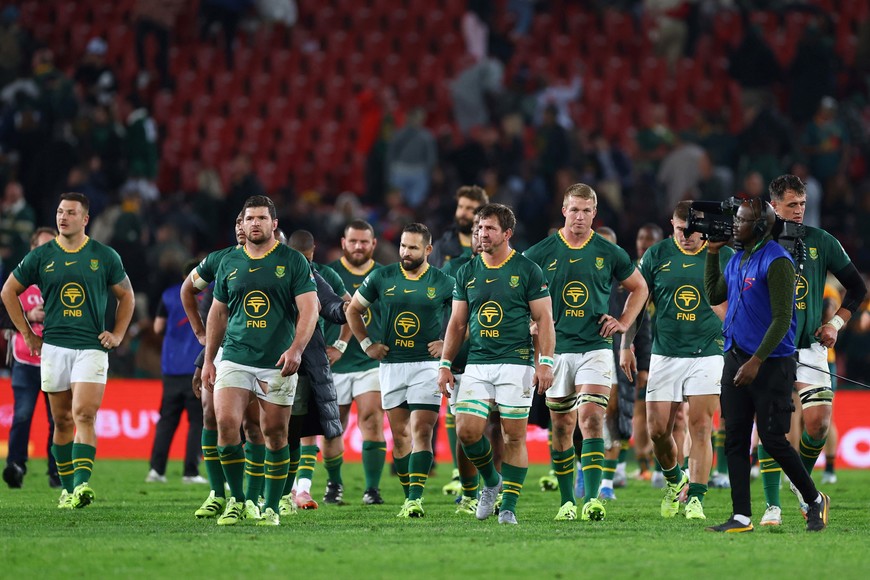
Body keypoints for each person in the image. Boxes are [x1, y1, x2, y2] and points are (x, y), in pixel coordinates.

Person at [1, 192, 135, 510]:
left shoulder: (104, 256)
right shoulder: (41, 255)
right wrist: (27, 335)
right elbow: (8, 291)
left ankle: (81, 485)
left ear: (85, 219)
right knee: (62, 421)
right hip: (53, 347)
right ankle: (67, 487)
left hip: (91, 347)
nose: (63, 217)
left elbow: (126, 296)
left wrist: (117, 334)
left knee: (84, 415)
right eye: (60, 211)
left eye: (71, 212)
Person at [524, 184, 648, 522]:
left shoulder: (608, 252)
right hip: (556, 350)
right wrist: (529, 323)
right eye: (574, 209)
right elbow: (516, 291)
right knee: (562, 427)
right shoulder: (540, 252)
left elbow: (640, 287)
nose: (580, 216)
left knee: (592, 418)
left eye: (586, 211)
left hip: (595, 348)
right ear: (563, 211)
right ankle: (567, 501)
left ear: (595, 213)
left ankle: (592, 500)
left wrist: (623, 321)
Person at [704, 198, 829, 533]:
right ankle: (741, 516)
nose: (733, 225)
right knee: (734, 438)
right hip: (735, 359)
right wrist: (713, 253)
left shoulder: (778, 262)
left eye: (741, 221)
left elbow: (782, 318)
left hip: (771, 363)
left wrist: (757, 361)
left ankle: (813, 498)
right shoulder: (738, 258)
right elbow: (715, 295)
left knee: (773, 440)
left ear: (759, 227)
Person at [201, 195, 319, 527]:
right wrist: (209, 359)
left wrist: (296, 349)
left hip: (276, 361)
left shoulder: (292, 261)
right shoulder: (228, 262)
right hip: (235, 357)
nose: (255, 223)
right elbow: (218, 312)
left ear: (274, 224)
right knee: (226, 425)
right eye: (250, 218)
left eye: (262, 218)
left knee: (274, 433)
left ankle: (269, 505)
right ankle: (238, 501)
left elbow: (310, 309)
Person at [438, 203, 556, 525]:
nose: (481, 234)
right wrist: (445, 363)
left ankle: (509, 507)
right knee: (467, 431)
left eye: (488, 228)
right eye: (478, 228)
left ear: (507, 233)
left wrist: (544, 363)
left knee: (513, 436)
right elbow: (457, 324)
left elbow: (544, 319)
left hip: (516, 364)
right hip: (477, 363)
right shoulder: (466, 272)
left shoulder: (528, 270)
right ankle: (491, 481)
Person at [761, 174, 866, 524]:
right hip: (768, 349)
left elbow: (857, 289)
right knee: (772, 424)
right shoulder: (759, 242)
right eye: (791, 205)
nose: (798, 211)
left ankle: (799, 480)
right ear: (773, 205)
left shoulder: (822, 242)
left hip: (810, 349)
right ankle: (771, 507)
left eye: (802, 204)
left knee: (818, 424)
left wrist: (835, 324)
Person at [621, 201, 733, 521]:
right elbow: (639, 303)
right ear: (672, 223)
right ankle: (675, 480)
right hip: (666, 352)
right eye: (680, 229)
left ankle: (696, 497)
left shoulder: (722, 256)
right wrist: (626, 344)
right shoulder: (656, 256)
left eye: (693, 230)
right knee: (658, 430)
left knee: (700, 427)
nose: (686, 236)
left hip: (708, 350)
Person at [347, 223, 455, 517]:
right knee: (400, 435)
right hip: (392, 365)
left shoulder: (444, 282)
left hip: (426, 365)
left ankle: (416, 499)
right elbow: (352, 309)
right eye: (403, 247)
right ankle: (410, 497)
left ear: (428, 250)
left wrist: (446, 344)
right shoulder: (382, 276)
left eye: (413, 248)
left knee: (421, 430)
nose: (406, 253)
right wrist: (367, 343)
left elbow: (463, 317)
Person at [182, 213, 268, 520]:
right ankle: (218, 494)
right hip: (222, 352)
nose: (245, 228)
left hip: (261, 352)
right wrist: (201, 336)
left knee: (253, 425)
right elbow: (187, 290)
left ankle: (252, 497)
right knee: (211, 416)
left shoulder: (274, 259)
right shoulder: (220, 260)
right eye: (239, 223)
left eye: (253, 221)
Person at [323, 220, 388, 505]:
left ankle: (372, 489)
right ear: (343, 243)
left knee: (372, 418)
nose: (358, 247)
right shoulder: (329, 274)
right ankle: (334, 484)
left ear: (373, 244)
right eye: (353, 241)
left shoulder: (385, 275)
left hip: (369, 363)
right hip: (333, 364)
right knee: (333, 425)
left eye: (364, 242)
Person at [286, 229, 349, 509]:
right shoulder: (271, 272)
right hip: (268, 358)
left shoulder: (319, 276)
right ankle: (280, 490)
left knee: (302, 427)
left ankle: (300, 489)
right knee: (270, 428)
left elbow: (336, 305)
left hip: (306, 359)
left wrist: (342, 343)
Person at [3, 227, 59, 490]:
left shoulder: (64, 277)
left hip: (58, 359)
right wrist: (29, 316)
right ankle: (15, 466)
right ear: (32, 250)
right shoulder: (18, 280)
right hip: (25, 360)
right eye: (42, 246)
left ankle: (56, 471)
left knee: (57, 420)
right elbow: (2, 312)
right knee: (23, 415)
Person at [146, 259, 206, 485]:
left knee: (167, 421)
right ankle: (190, 472)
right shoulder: (210, 295)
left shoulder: (170, 295)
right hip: (196, 367)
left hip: (171, 367)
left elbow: (158, 327)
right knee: (197, 421)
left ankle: (156, 470)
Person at [430, 185, 489, 269]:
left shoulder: (497, 246)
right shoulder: (440, 247)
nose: (462, 213)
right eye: (460, 207)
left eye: (469, 208)